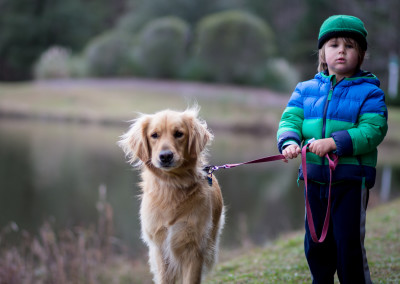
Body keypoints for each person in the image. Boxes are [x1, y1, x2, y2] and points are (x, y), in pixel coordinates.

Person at [277, 15, 388, 284]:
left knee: (347, 246)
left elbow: (373, 130)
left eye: (349, 46)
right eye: (334, 45)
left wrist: (335, 142)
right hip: (314, 180)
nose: (341, 50)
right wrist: (290, 142)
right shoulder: (305, 90)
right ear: (323, 53)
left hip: (349, 182)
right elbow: (289, 120)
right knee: (316, 247)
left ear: (361, 54)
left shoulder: (370, 93)